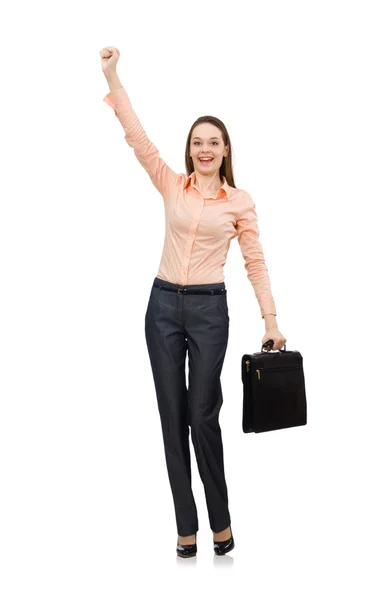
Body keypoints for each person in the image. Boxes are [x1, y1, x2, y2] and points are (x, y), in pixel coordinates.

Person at [100, 46, 287, 558]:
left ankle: (221, 521)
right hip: (162, 308)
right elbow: (138, 141)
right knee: (171, 414)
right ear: (190, 149)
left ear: (226, 150)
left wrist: (271, 320)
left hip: (208, 312)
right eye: (198, 142)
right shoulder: (172, 185)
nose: (205, 149)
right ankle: (186, 525)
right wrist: (113, 76)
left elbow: (255, 263)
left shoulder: (240, 202)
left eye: (214, 143)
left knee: (203, 415)